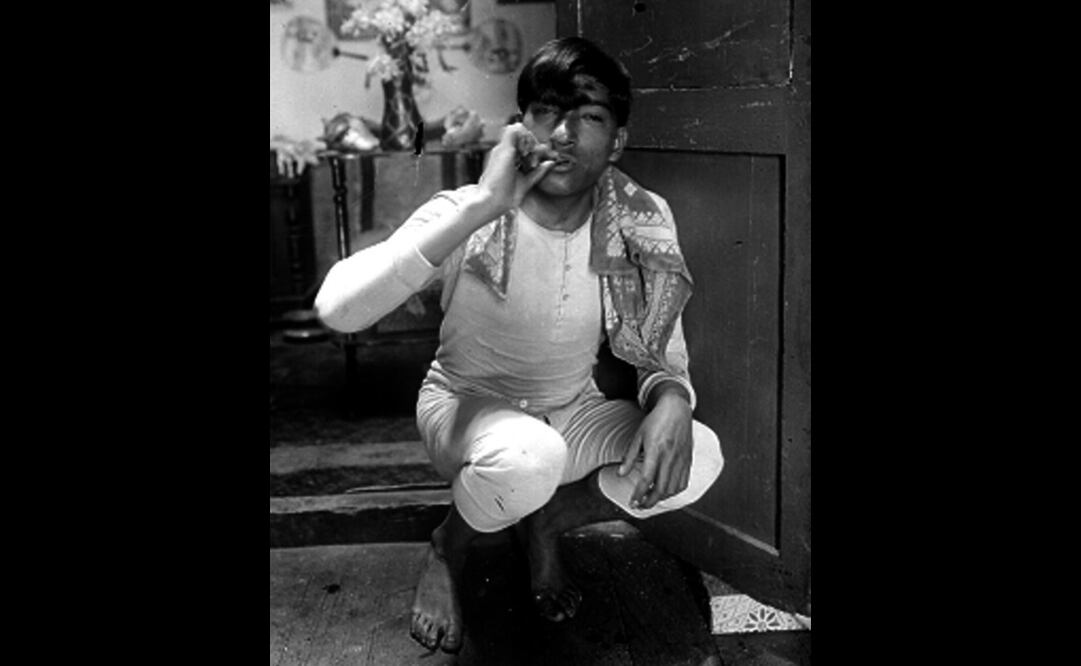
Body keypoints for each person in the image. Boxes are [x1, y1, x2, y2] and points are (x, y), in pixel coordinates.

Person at [314, 36, 724, 654]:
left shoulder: (640, 218)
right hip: (466, 407)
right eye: (544, 112)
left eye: (587, 116)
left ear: (617, 141)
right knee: (529, 460)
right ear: (520, 126)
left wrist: (671, 398)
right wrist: (483, 203)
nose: (561, 134)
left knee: (700, 452)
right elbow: (336, 309)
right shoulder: (470, 210)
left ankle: (547, 523)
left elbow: (663, 348)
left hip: (572, 410)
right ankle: (448, 547)